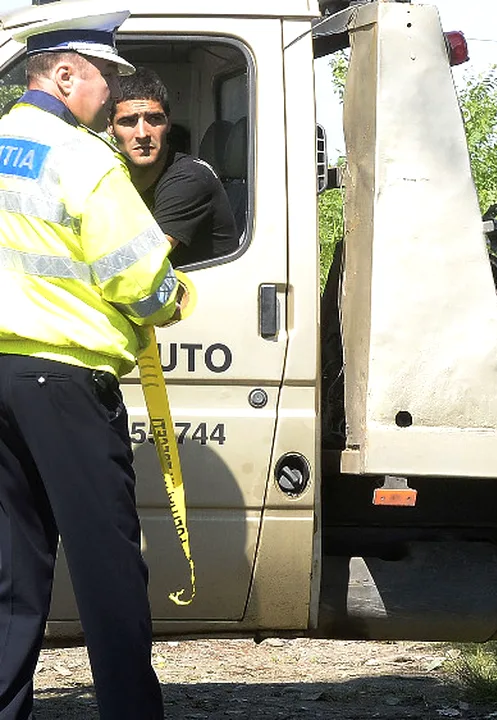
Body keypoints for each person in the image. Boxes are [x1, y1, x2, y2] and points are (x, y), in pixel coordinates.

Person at [0, 9, 190, 720]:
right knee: (109, 570)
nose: (110, 95)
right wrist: (177, 296)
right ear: (64, 73)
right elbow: (141, 282)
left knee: (15, 574)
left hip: (2, 377)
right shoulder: (84, 160)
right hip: (67, 383)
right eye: (104, 77)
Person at [110, 67, 239, 267]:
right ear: (110, 128)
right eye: (128, 121)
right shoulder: (112, 174)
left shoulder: (191, 177)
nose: (142, 133)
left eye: (154, 119)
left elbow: (139, 264)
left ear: (168, 123)